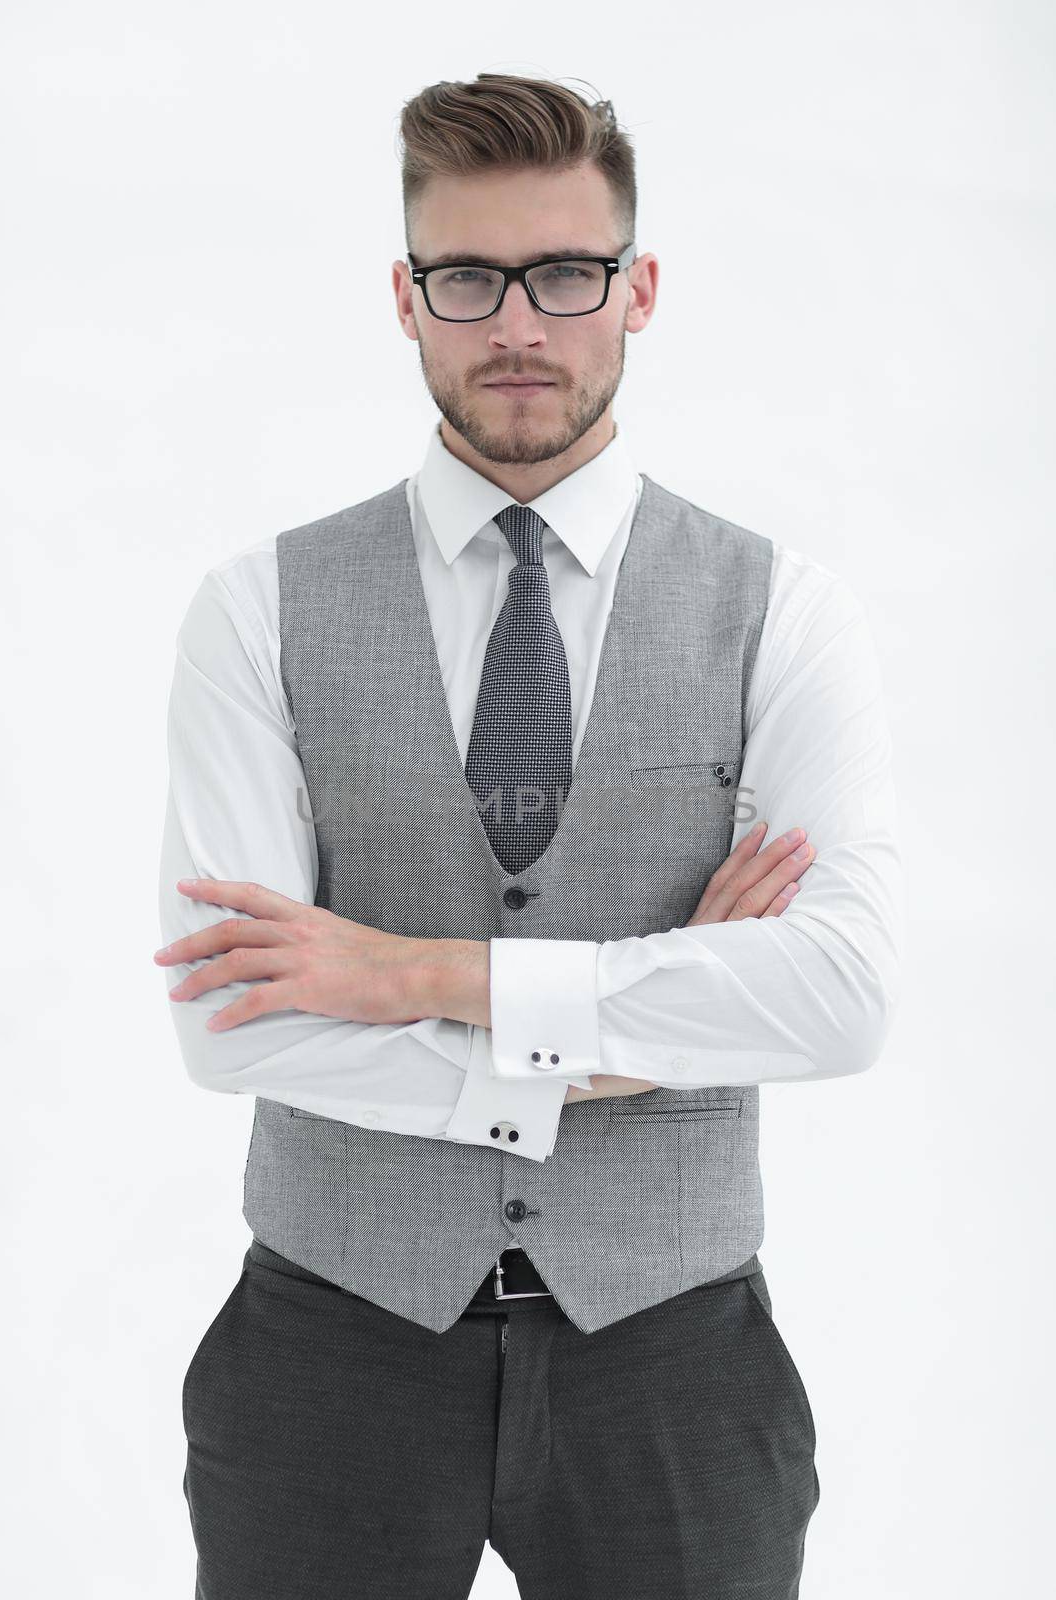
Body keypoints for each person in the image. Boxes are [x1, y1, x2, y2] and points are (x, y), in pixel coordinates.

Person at [156, 71, 903, 1600]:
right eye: (468, 278)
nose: (518, 323)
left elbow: (839, 995)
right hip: (328, 1346)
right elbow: (233, 1026)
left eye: (566, 275)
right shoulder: (257, 612)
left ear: (637, 291)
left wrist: (407, 972)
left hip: (678, 1358)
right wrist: (627, 1037)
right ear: (405, 296)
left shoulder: (786, 616)